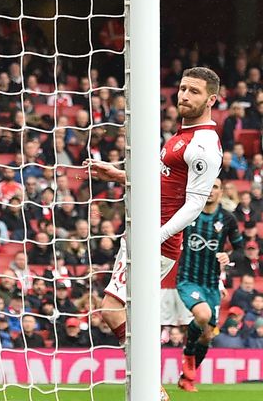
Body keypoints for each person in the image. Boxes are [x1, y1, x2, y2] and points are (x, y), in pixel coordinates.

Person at [86, 67, 223, 401]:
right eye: (183, 88)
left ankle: (152, 387)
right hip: (144, 234)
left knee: (112, 309)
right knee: (129, 313)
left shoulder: (204, 144)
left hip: (157, 242)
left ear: (211, 100)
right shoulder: (180, 136)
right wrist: (120, 175)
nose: (185, 96)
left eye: (194, 91)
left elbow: (194, 205)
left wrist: (154, 237)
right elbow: (163, 183)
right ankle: (150, 386)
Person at [175, 177, 243, 392]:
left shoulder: (228, 219)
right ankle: (187, 354)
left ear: (221, 191)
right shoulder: (189, 213)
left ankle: (186, 378)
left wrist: (228, 255)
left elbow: (240, 250)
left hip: (211, 284)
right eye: (208, 187)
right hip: (188, 279)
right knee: (202, 316)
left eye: (215, 187)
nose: (210, 191)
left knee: (207, 336)